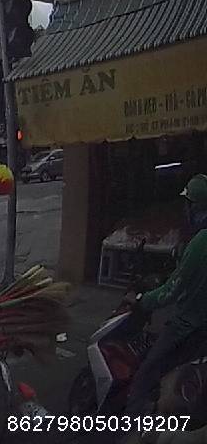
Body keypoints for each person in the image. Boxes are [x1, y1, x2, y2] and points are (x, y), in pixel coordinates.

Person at [123, 174, 207, 416]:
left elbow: (172, 291)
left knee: (146, 370)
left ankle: (133, 420)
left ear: (195, 206)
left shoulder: (201, 242)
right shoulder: (194, 241)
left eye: (188, 205)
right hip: (201, 326)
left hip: (188, 323)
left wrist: (142, 301)